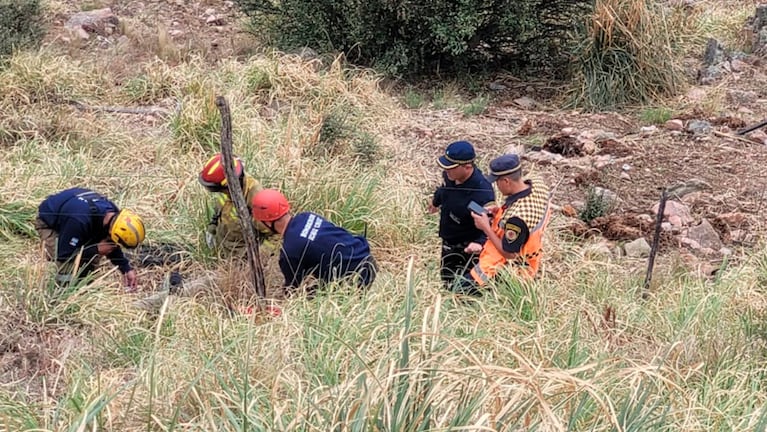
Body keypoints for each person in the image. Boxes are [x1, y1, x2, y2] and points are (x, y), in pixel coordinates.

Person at [454, 154, 551, 295]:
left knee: (458, 291)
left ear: (506, 181)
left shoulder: (517, 219)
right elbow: (517, 211)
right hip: (531, 257)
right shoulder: (537, 185)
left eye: (497, 182)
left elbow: (509, 254)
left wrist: (486, 227)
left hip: (511, 270)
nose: (496, 186)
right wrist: (498, 212)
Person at [251, 189, 376, 295]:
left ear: (267, 222)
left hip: (357, 281)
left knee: (310, 297)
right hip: (366, 258)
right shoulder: (307, 216)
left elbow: (293, 289)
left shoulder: (290, 252)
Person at [35, 188, 146, 290]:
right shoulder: (78, 221)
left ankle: (84, 286)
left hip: (74, 216)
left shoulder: (113, 215)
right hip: (49, 223)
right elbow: (64, 254)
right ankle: (62, 294)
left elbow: (111, 244)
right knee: (68, 264)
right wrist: (95, 250)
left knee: (90, 256)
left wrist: (126, 269)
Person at [428, 140, 495, 287]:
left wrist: (479, 243)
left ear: (467, 167)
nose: (446, 171)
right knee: (447, 279)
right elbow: (444, 190)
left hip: (468, 249)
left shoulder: (481, 193)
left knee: (463, 288)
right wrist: (436, 202)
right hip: (448, 239)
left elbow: (489, 223)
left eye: (451, 167)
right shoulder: (450, 176)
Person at [198, 153, 274, 254]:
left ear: (230, 184)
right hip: (223, 249)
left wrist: (260, 257)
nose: (221, 193)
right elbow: (219, 209)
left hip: (241, 259)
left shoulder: (258, 201)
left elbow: (276, 236)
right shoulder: (226, 191)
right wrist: (213, 226)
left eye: (221, 190)